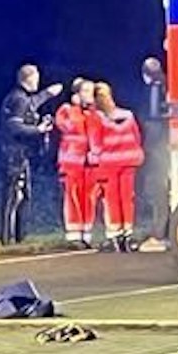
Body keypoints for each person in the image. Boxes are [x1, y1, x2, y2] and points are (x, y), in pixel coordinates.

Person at [0, 64, 62, 244]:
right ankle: (6, 238)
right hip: (14, 154)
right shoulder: (18, 99)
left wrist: (48, 93)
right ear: (30, 78)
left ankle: (19, 236)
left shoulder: (21, 98)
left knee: (24, 195)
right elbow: (14, 126)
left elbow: (33, 102)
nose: (38, 82)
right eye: (36, 78)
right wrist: (38, 129)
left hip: (20, 153)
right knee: (13, 196)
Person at [90, 82, 145, 252]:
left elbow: (96, 143)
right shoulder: (128, 115)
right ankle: (127, 235)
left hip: (109, 163)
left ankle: (114, 235)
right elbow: (137, 136)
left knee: (112, 200)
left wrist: (94, 158)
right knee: (127, 198)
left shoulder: (97, 118)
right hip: (129, 160)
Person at [55, 78, 100, 249]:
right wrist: (78, 109)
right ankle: (74, 235)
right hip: (71, 161)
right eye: (86, 91)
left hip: (90, 162)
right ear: (77, 94)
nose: (91, 95)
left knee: (89, 198)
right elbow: (67, 126)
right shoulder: (66, 110)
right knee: (73, 196)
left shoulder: (95, 114)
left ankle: (87, 234)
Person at [138, 56, 171, 246]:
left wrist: (146, 147)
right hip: (164, 148)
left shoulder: (155, 88)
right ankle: (162, 231)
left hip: (157, 149)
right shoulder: (168, 85)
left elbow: (153, 118)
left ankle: (159, 233)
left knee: (157, 190)